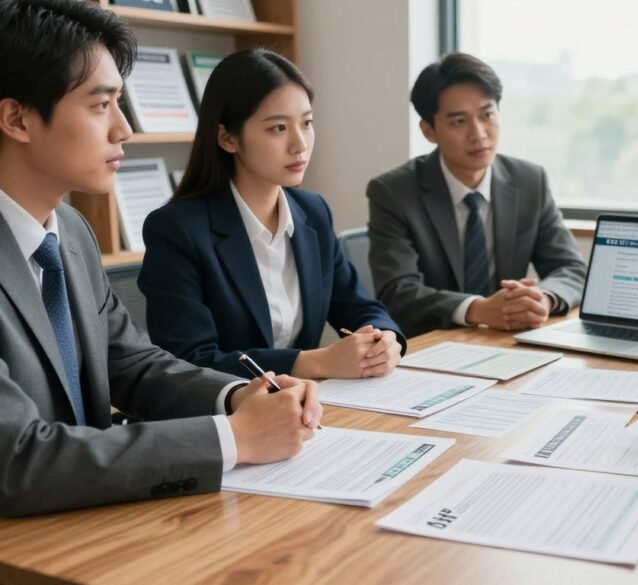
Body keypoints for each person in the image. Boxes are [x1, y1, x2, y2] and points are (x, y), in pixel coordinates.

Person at [0, 0, 321, 517]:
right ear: (17, 118)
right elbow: (15, 460)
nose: (124, 129)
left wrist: (239, 396)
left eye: (120, 104)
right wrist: (232, 438)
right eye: (100, 105)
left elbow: (132, 363)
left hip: (92, 519)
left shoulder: (73, 232)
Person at [139, 49, 405, 380]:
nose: (300, 145)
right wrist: (316, 362)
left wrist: (385, 339)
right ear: (228, 138)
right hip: (228, 420)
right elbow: (190, 361)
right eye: (278, 128)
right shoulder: (178, 230)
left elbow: (359, 306)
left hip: (307, 411)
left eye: (307, 123)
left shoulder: (312, 212)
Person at [366, 52, 587, 338]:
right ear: (429, 130)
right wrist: (478, 309)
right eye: (459, 121)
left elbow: (571, 267)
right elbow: (398, 291)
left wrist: (542, 298)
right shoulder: (394, 192)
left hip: (508, 342)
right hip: (434, 348)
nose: (479, 134)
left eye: (487, 114)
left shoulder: (530, 181)